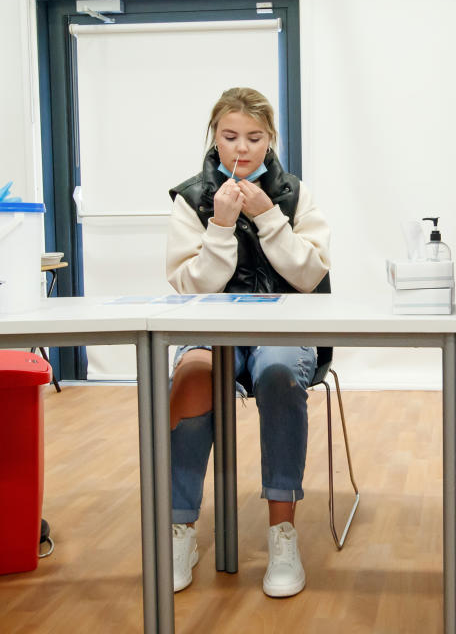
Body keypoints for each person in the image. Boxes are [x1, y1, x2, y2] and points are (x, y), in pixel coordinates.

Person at [165, 87, 331, 596]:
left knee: (279, 373)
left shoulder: (295, 194)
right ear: (214, 138)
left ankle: (283, 534)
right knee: (193, 378)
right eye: (230, 136)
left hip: (285, 331)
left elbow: (309, 275)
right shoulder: (190, 197)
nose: (242, 149)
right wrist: (219, 224)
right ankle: (180, 530)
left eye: (254, 138)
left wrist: (266, 216)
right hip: (212, 332)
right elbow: (189, 287)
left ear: (270, 139)